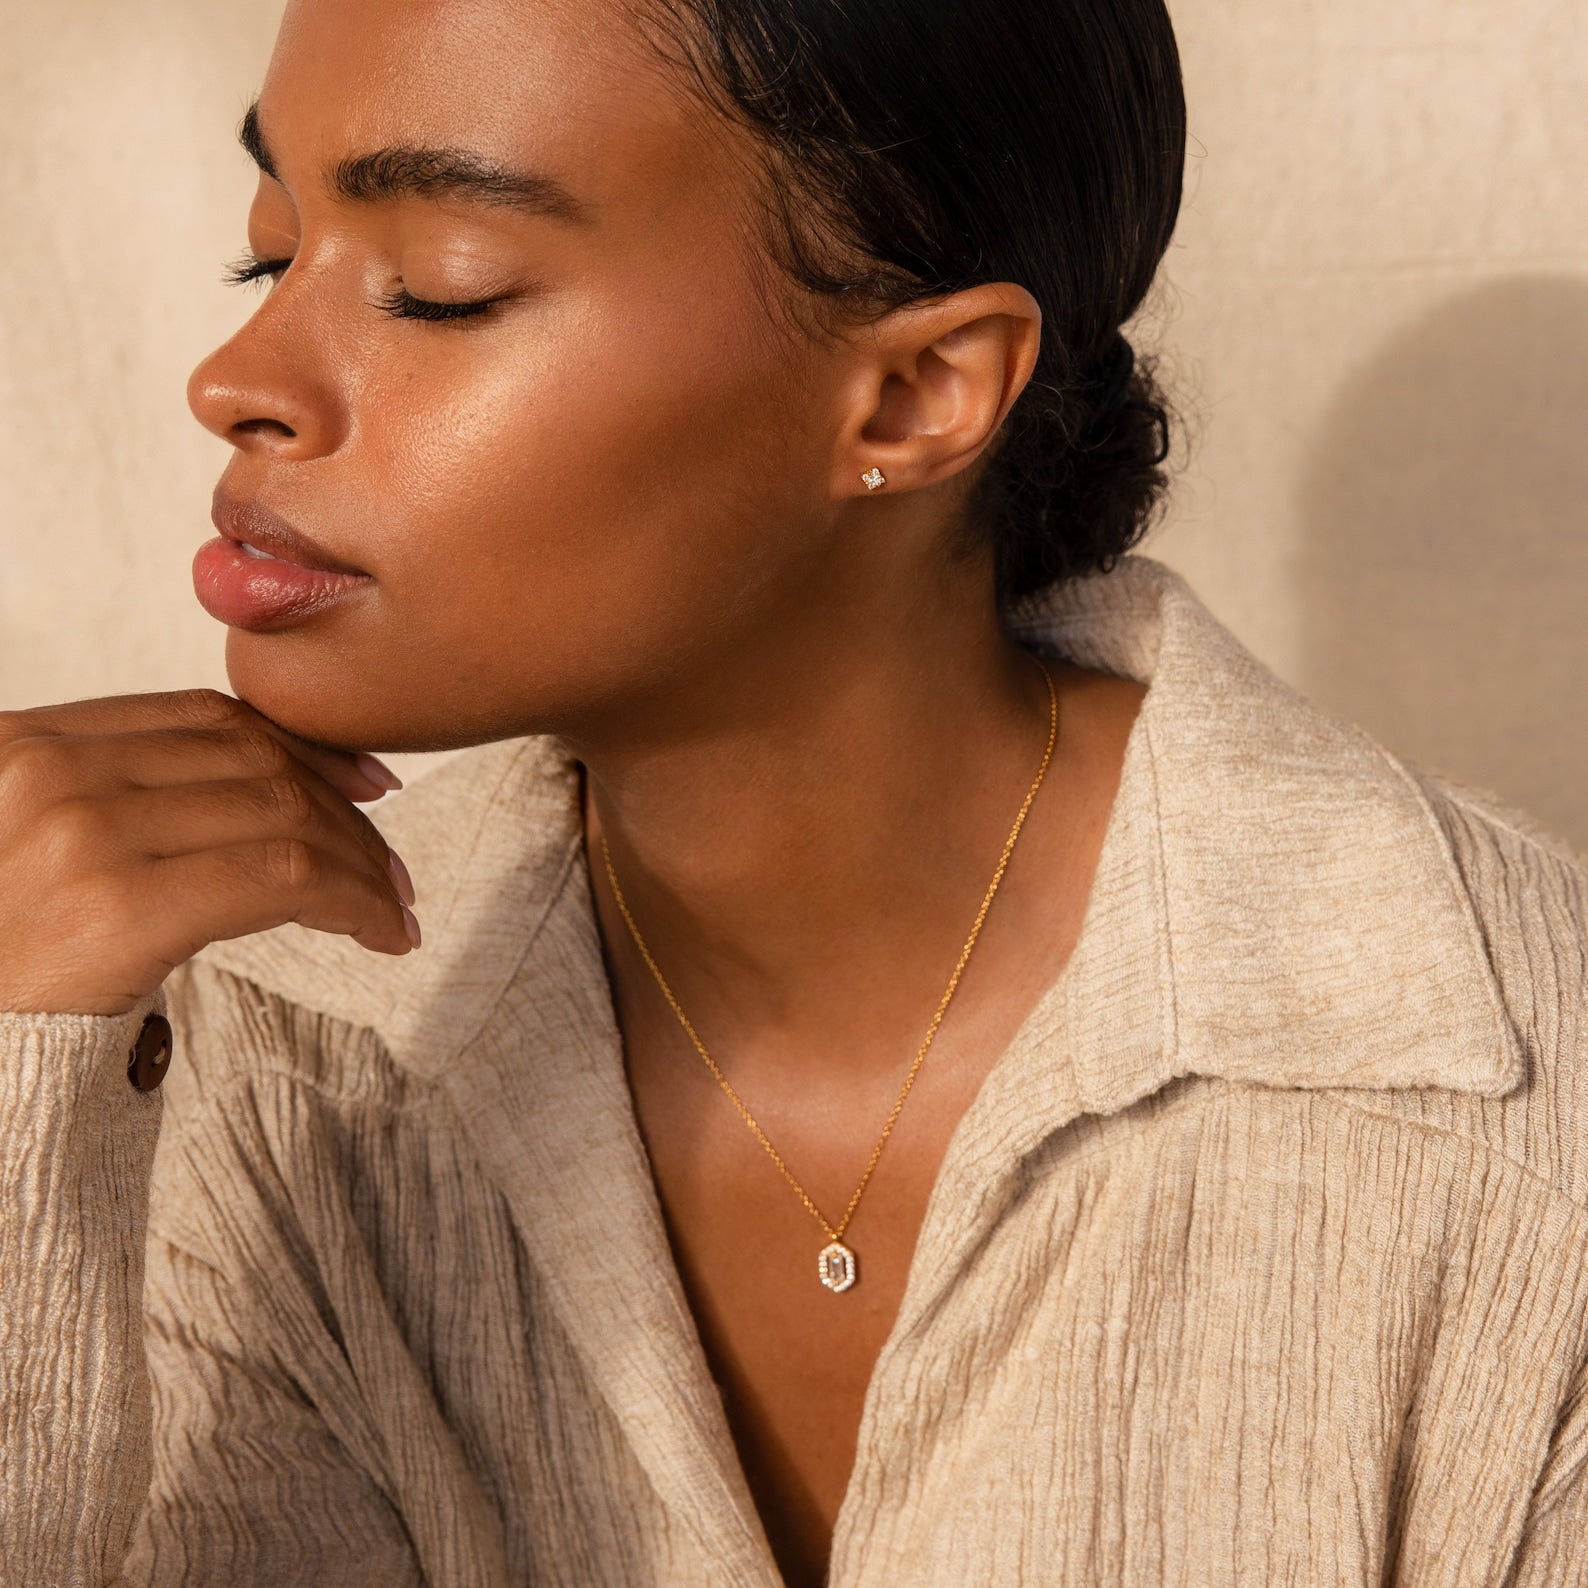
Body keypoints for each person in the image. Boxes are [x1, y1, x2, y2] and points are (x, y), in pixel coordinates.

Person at [1, 0, 1584, 1583]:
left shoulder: (1515, 1102)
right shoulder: (283, 1042)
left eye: (438, 287)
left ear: (916, 394)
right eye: (271, 255)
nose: (239, 379)